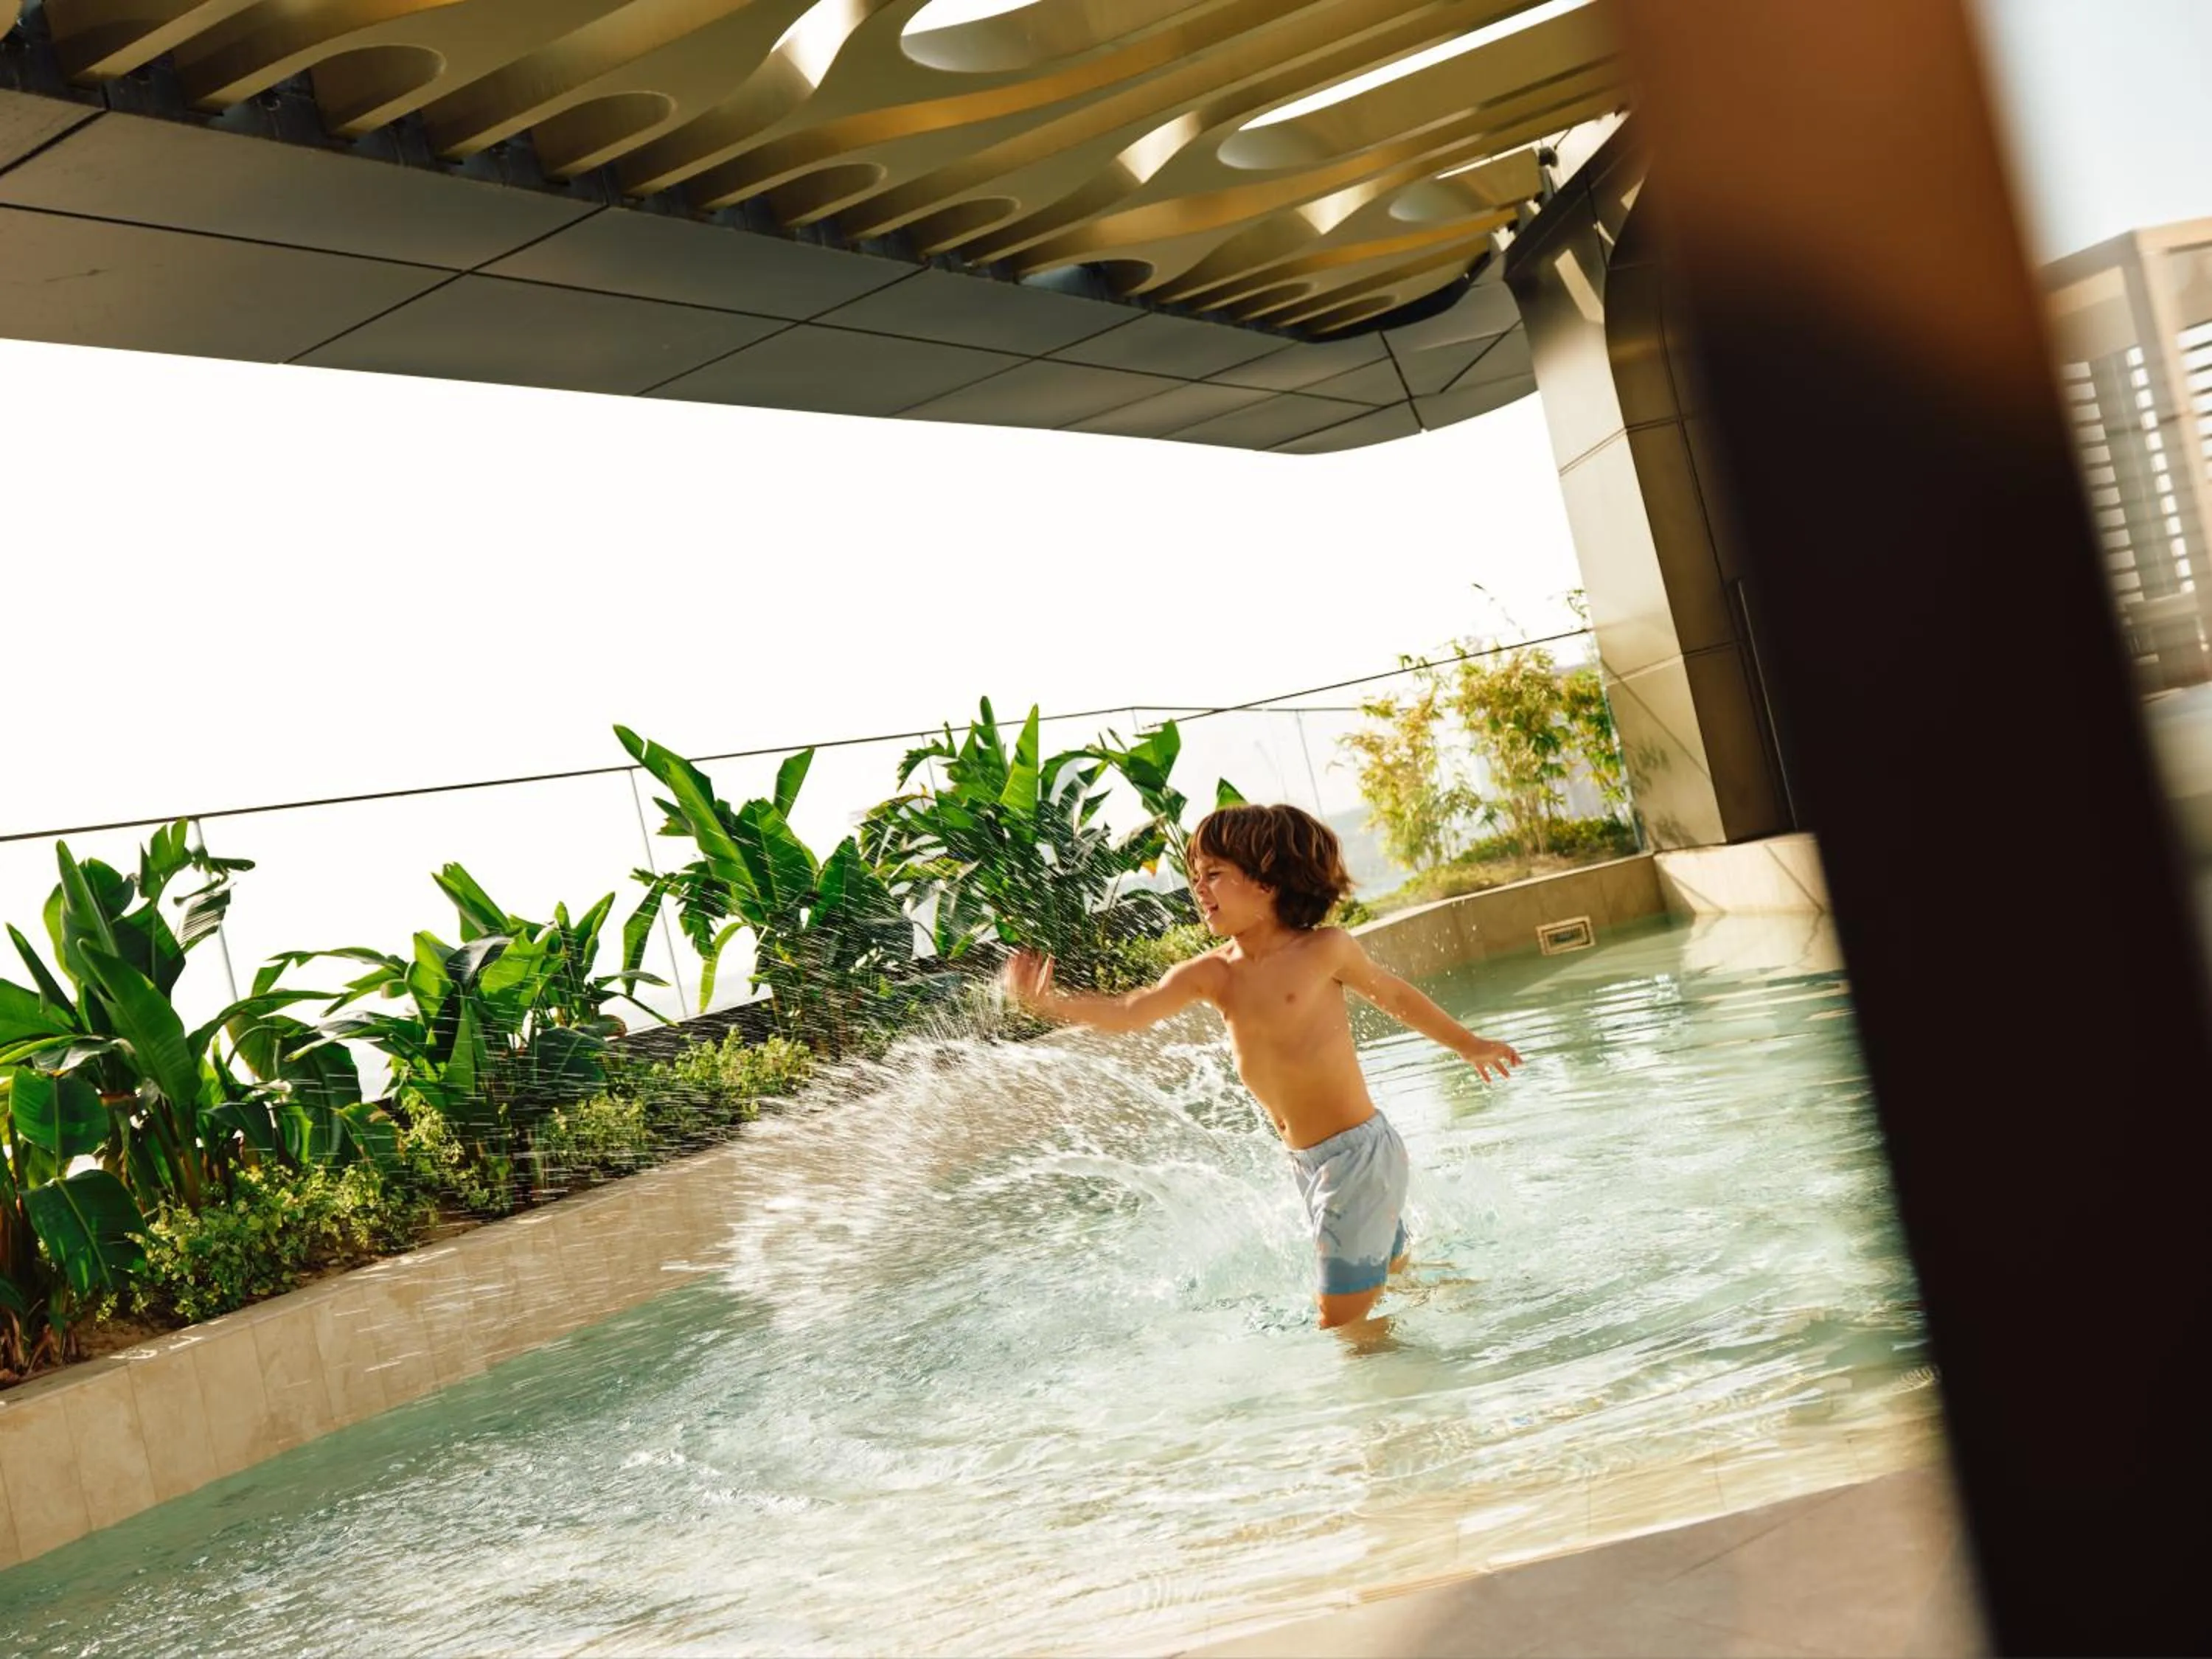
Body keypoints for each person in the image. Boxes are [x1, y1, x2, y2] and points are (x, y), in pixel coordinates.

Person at [1003, 802, 1522, 1332]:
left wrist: (1469, 1044)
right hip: (1309, 1163)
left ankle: (1395, 1412)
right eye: (1195, 876)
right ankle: (1493, 1316)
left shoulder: (1323, 950)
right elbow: (1130, 1013)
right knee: (1395, 1281)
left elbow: (1393, 995)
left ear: (1268, 883)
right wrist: (1051, 1004)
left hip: (1358, 1157)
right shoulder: (1211, 974)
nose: (1198, 888)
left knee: (1340, 1322)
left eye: (1215, 875)